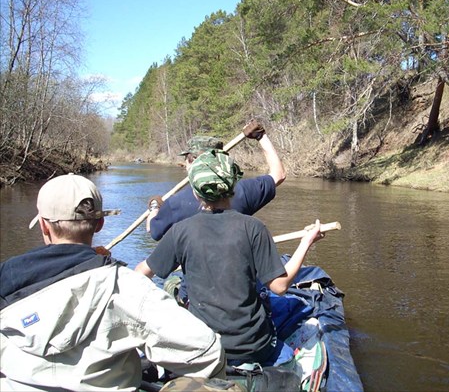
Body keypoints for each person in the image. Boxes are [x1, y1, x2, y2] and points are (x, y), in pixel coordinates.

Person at [0, 174, 225, 391]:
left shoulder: (6, 279)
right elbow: (207, 351)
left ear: (43, 225)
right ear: (100, 224)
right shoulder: (127, 286)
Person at [135, 150, 324, 367]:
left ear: (196, 194)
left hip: (204, 346)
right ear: (233, 187)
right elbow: (280, 286)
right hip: (254, 347)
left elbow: (141, 274)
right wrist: (306, 242)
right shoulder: (254, 228)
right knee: (292, 332)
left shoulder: (180, 231)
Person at [146, 119, 286, 240]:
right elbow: (279, 175)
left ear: (192, 162)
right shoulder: (242, 191)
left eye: (186, 160)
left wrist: (155, 207)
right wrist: (261, 136)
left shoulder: (175, 204)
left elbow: (153, 232)